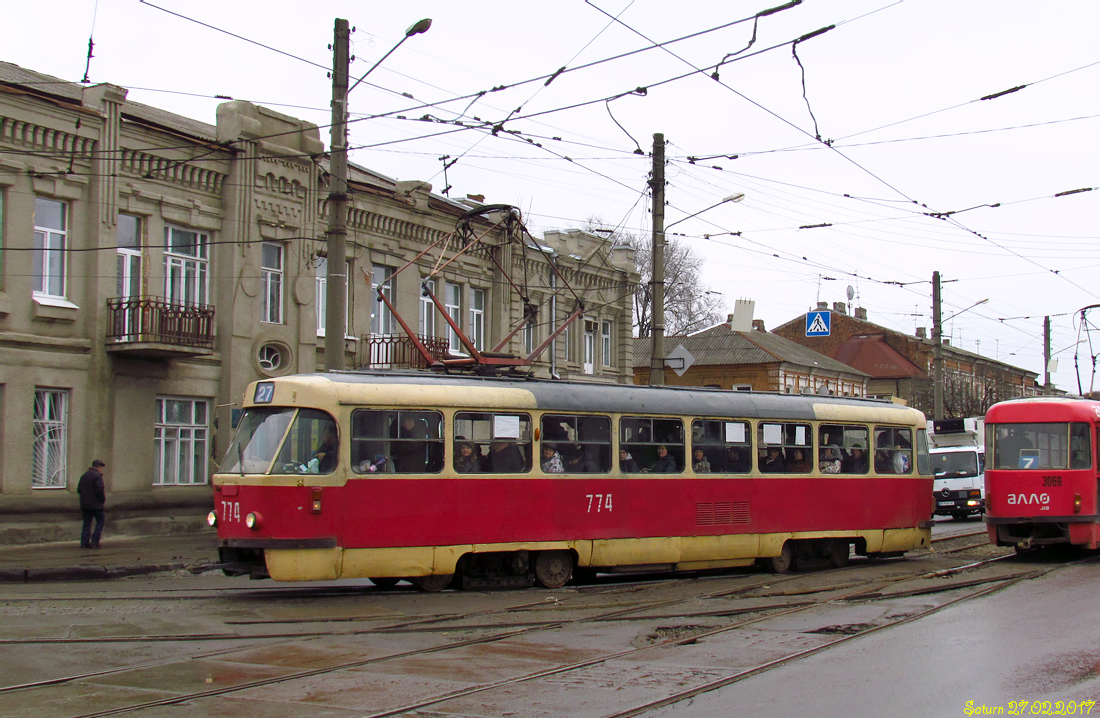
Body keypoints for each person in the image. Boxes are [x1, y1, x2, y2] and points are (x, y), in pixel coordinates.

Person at [78, 460, 106, 549]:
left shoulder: (84, 475)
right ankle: (95, 541)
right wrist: (102, 500)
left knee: (86, 523)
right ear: (98, 467)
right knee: (100, 521)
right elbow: (99, 490)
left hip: (85, 505)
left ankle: (84, 542)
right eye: (101, 468)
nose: (101, 470)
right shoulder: (97, 476)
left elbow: (79, 489)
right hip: (96, 505)